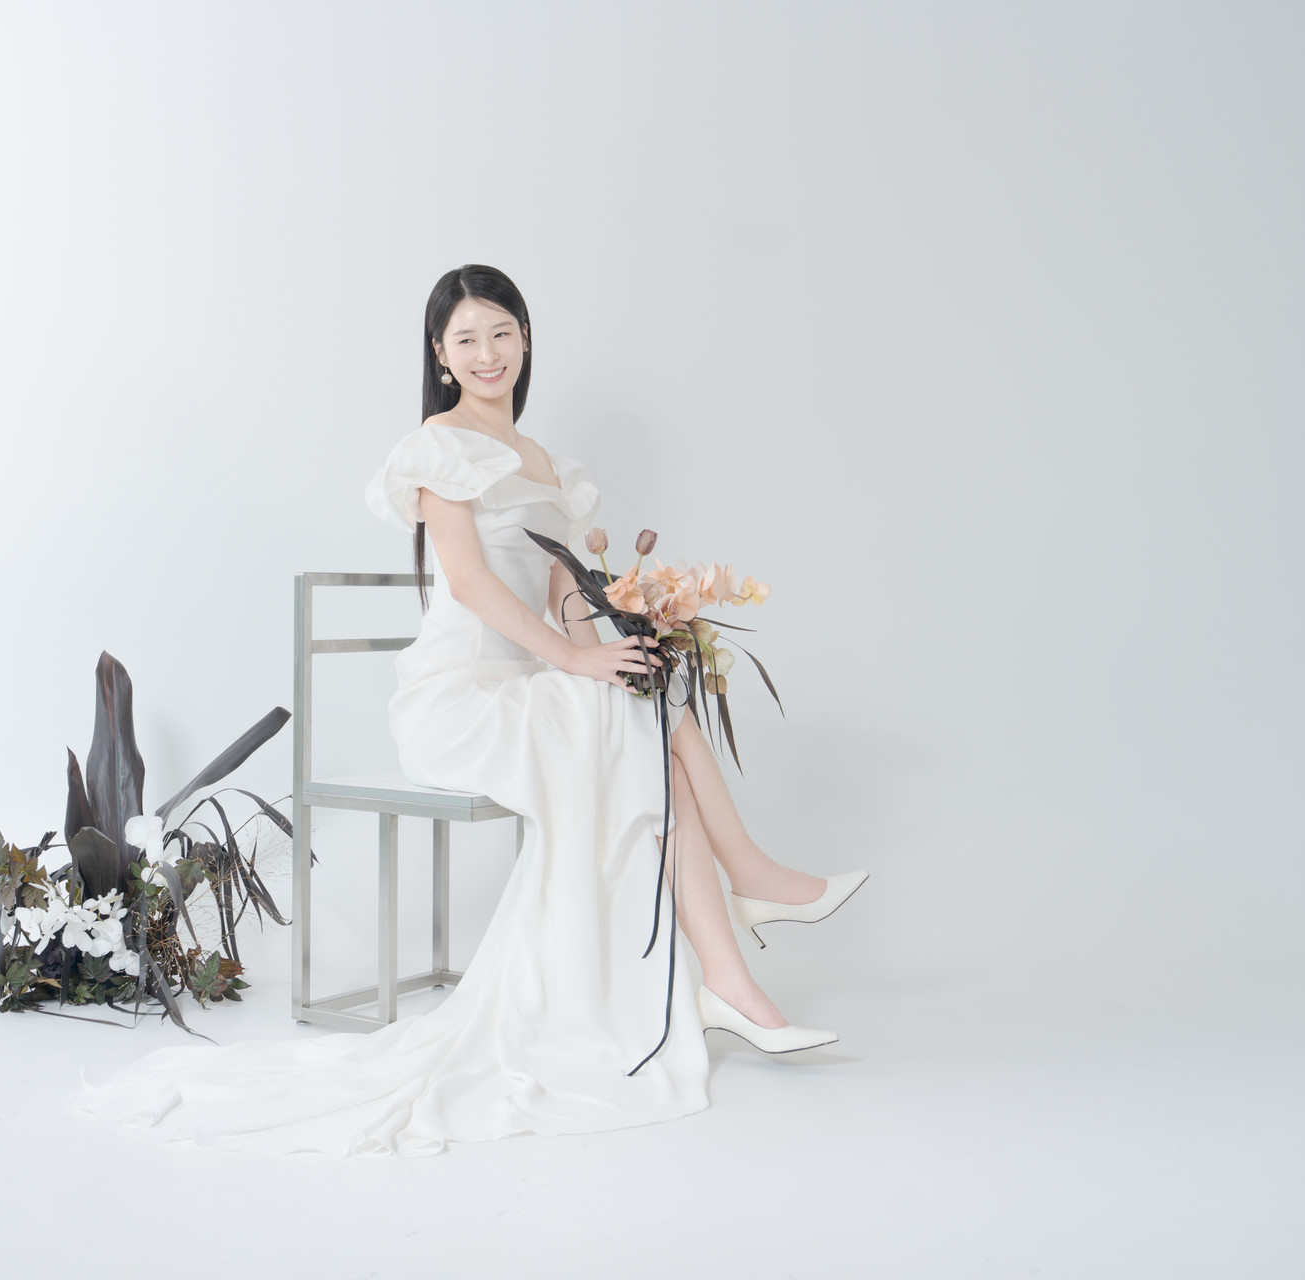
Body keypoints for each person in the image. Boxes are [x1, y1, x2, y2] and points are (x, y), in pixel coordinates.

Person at [77, 264, 868, 1157]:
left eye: (501, 332)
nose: (487, 353)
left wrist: (614, 647)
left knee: (648, 695)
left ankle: (731, 969)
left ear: (526, 339)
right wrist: (577, 661)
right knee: (632, 721)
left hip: (533, 683)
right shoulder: (439, 445)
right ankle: (746, 892)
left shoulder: (551, 465)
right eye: (467, 339)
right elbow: (471, 581)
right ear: (440, 354)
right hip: (459, 698)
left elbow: (566, 597)